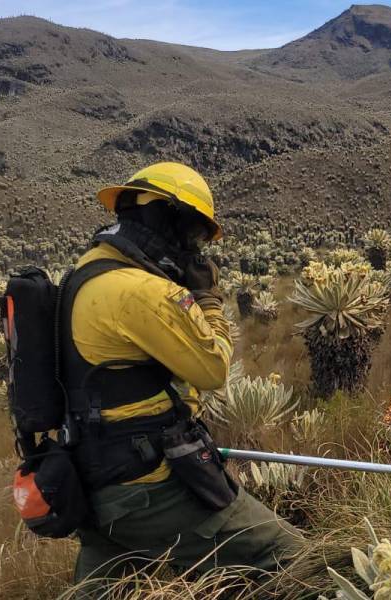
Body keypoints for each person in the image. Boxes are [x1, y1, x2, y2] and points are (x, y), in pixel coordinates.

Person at [65, 162, 302, 589]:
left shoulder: (82, 275)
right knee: (292, 557)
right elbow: (212, 369)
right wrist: (207, 298)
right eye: (194, 235)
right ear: (166, 217)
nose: (196, 250)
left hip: (92, 483)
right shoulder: (143, 291)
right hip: (148, 489)